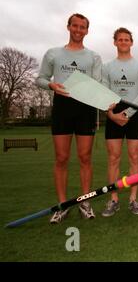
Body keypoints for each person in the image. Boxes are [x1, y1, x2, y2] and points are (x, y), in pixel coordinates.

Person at [36, 13, 102, 223]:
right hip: (62, 107)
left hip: (85, 108)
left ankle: (85, 202)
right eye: (75, 26)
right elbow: (40, 78)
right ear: (68, 27)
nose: (78, 30)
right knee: (62, 158)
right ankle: (63, 205)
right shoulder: (53, 54)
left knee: (84, 158)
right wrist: (51, 85)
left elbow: (98, 84)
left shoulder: (94, 57)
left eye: (82, 27)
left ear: (87, 31)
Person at [101, 27, 138, 217]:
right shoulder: (107, 67)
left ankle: (133, 199)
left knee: (134, 157)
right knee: (113, 158)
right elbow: (104, 91)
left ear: (131, 42)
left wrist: (128, 113)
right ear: (115, 42)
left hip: (134, 114)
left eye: (126, 39)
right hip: (113, 114)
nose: (123, 42)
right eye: (120, 39)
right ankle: (113, 200)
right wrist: (112, 114)